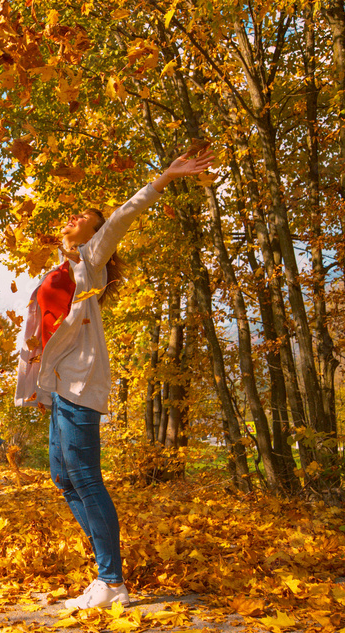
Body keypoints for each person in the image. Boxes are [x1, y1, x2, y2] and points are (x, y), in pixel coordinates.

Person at [14, 147, 215, 609]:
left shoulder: (91, 260)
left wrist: (165, 177)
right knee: (63, 478)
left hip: (80, 384)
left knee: (84, 476)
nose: (73, 217)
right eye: (72, 214)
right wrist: (37, 381)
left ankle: (111, 578)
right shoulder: (57, 271)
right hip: (59, 385)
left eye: (84, 215)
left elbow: (125, 215)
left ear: (95, 229)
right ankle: (108, 565)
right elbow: (41, 332)